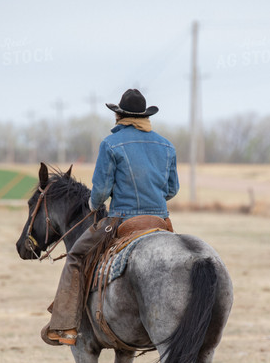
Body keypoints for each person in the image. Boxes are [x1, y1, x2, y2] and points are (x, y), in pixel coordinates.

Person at [45, 89, 179, 345]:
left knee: (75, 257)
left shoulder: (111, 144)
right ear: (144, 117)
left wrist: (93, 204)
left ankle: (65, 327)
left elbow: (101, 192)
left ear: (120, 116)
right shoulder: (167, 145)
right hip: (160, 222)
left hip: (122, 221)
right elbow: (172, 190)